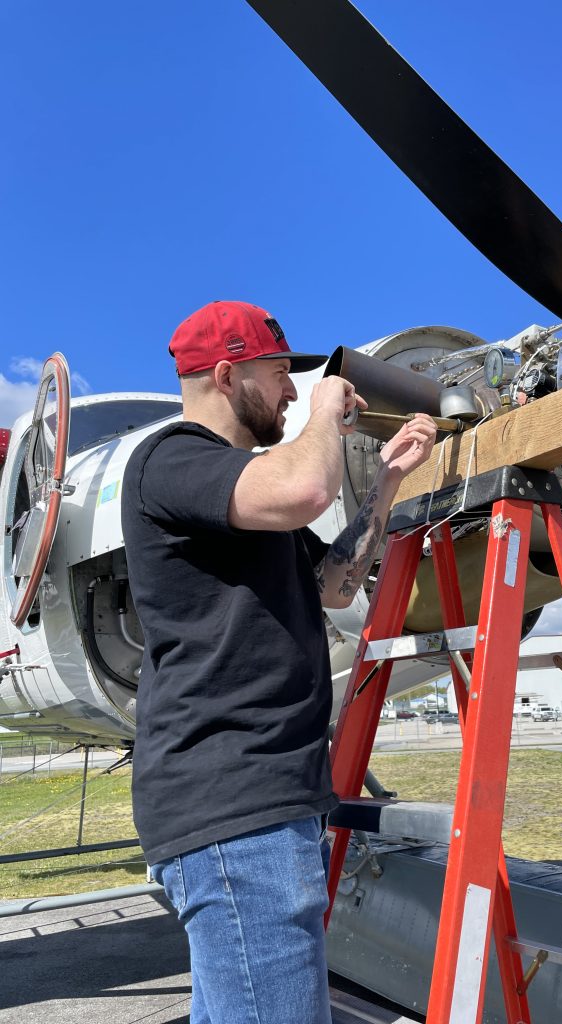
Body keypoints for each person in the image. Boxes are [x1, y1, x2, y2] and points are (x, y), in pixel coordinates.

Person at [121, 300, 437, 1024]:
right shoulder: (170, 460)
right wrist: (328, 406)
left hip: (265, 807)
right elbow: (304, 489)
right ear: (228, 376)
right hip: (236, 811)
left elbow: (334, 585)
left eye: (300, 382)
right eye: (279, 375)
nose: (294, 391)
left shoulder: (242, 490)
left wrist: (386, 481)